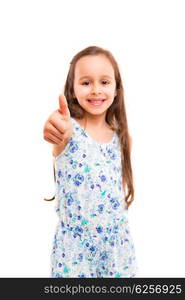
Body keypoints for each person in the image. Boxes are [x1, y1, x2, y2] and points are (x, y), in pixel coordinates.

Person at [43, 45, 138, 278]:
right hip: (75, 255)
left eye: (104, 82)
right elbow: (57, 131)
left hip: (116, 251)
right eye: (86, 83)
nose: (96, 90)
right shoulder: (68, 131)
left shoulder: (122, 137)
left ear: (116, 89)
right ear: (73, 90)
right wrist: (55, 129)